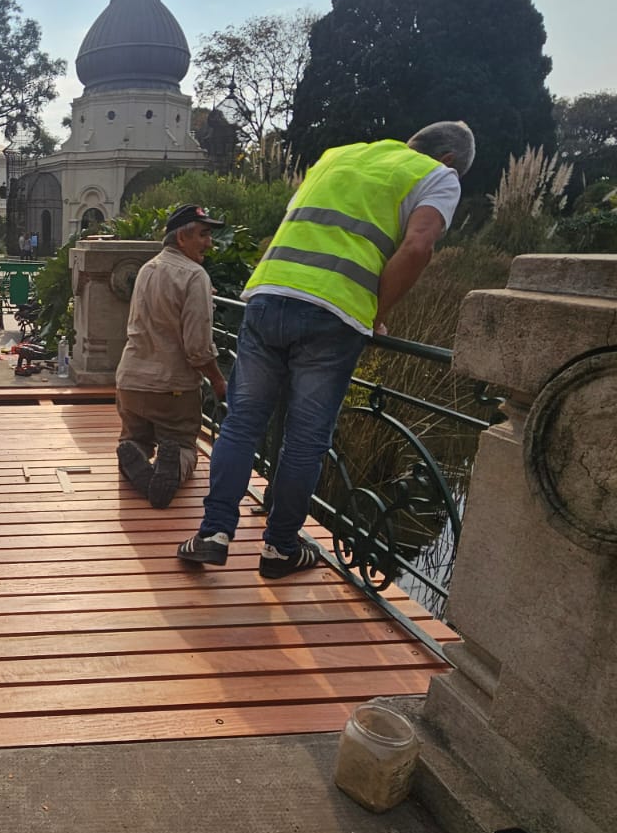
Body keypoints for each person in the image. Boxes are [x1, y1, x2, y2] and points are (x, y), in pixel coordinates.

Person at [178, 121, 473, 578]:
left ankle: (214, 533)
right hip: (333, 313)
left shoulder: (340, 152)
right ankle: (279, 549)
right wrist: (376, 309)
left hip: (269, 292)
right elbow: (418, 246)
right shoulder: (438, 175)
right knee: (305, 440)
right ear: (450, 160)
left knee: (242, 423)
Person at [114, 203, 227, 508]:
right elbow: (197, 349)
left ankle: (133, 453)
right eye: (203, 235)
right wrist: (217, 380)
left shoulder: (147, 270)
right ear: (182, 239)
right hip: (171, 389)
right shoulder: (194, 276)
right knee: (185, 446)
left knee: (136, 439)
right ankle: (174, 464)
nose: (209, 242)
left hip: (130, 383)